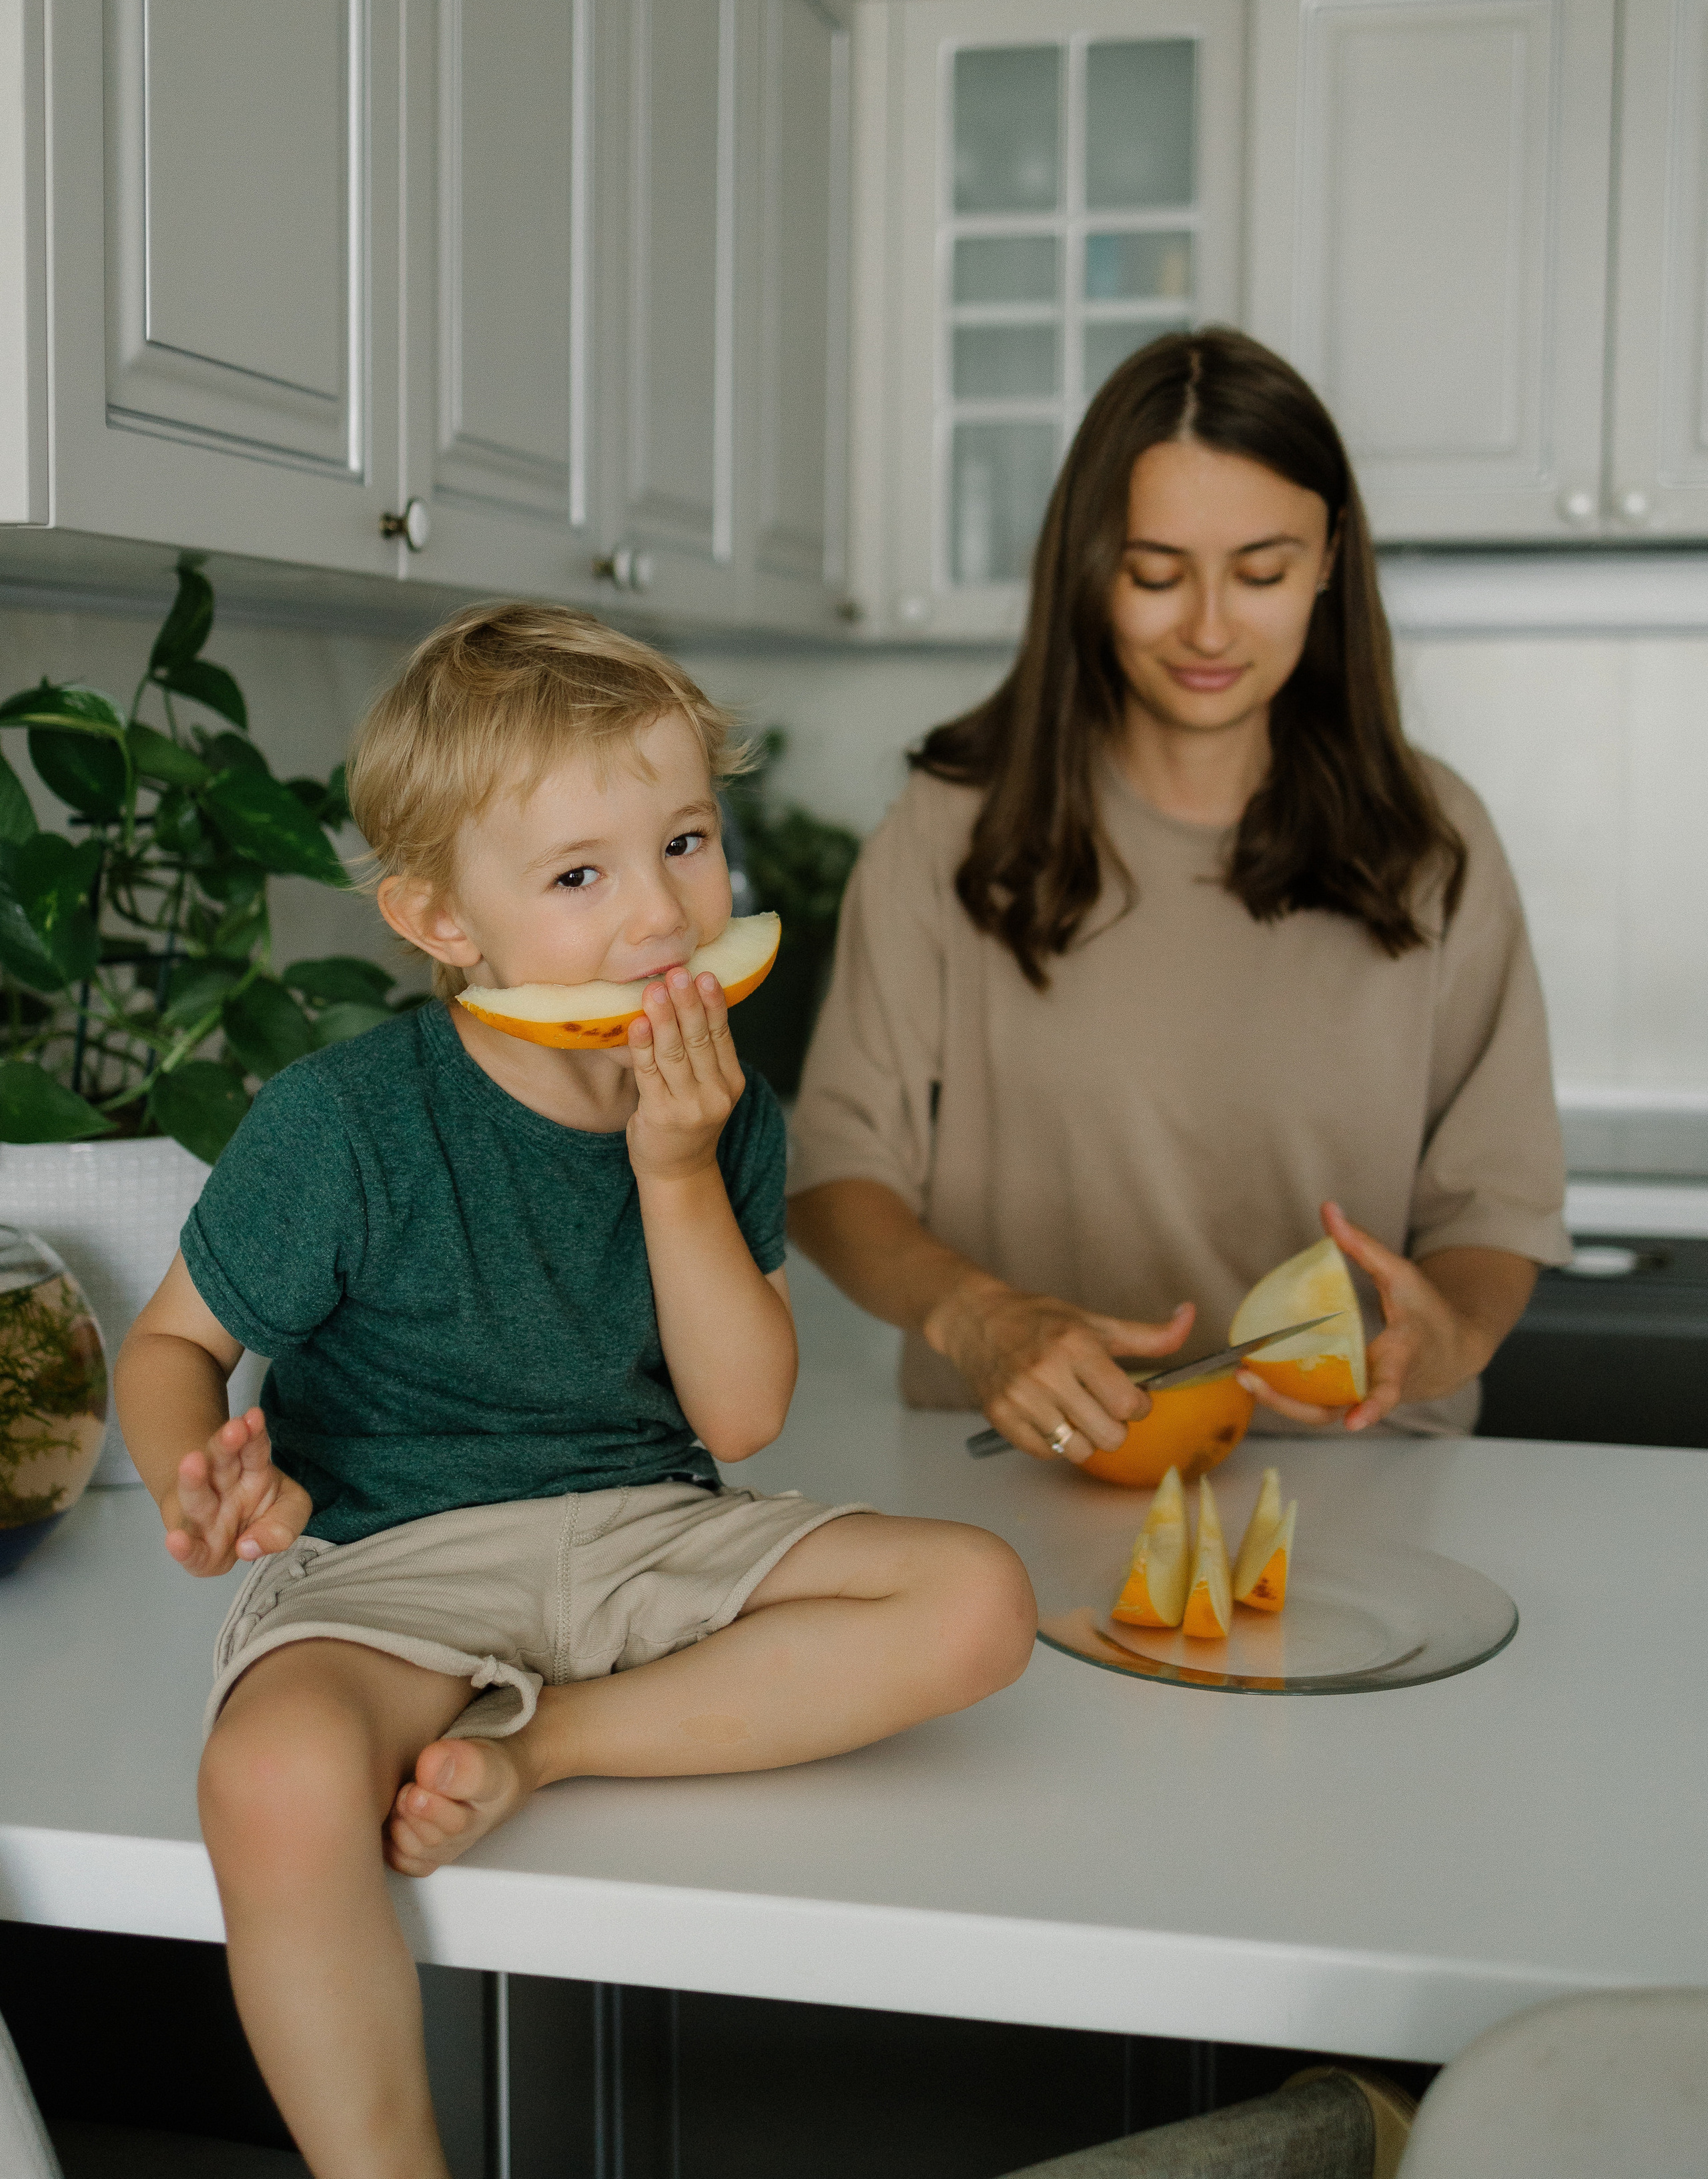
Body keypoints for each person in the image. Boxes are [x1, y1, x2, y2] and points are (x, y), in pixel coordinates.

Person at [115, 605, 1033, 2179]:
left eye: (684, 842)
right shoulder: (344, 1122)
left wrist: (675, 1172)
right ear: (440, 918)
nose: (663, 916)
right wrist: (202, 1479)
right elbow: (169, 1350)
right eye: (580, 875)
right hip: (390, 1560)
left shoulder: (718, 1104)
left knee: (978, 1602)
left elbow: (739, 1422)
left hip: (642, 1535)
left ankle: (548, 1745)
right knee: (267, 1775)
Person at [789, 329, 1571, 1466]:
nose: (1208, 627)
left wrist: (1446, 1336)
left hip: (1357, 1474)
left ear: (1328, 559)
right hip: (1024, 1477)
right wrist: (978, 1316)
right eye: (1155, 573)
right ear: (1089, 564)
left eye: (1260, 572)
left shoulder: (1433, 841)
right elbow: (833, 1172)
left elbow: (1496, 1206)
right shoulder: (950, 829)